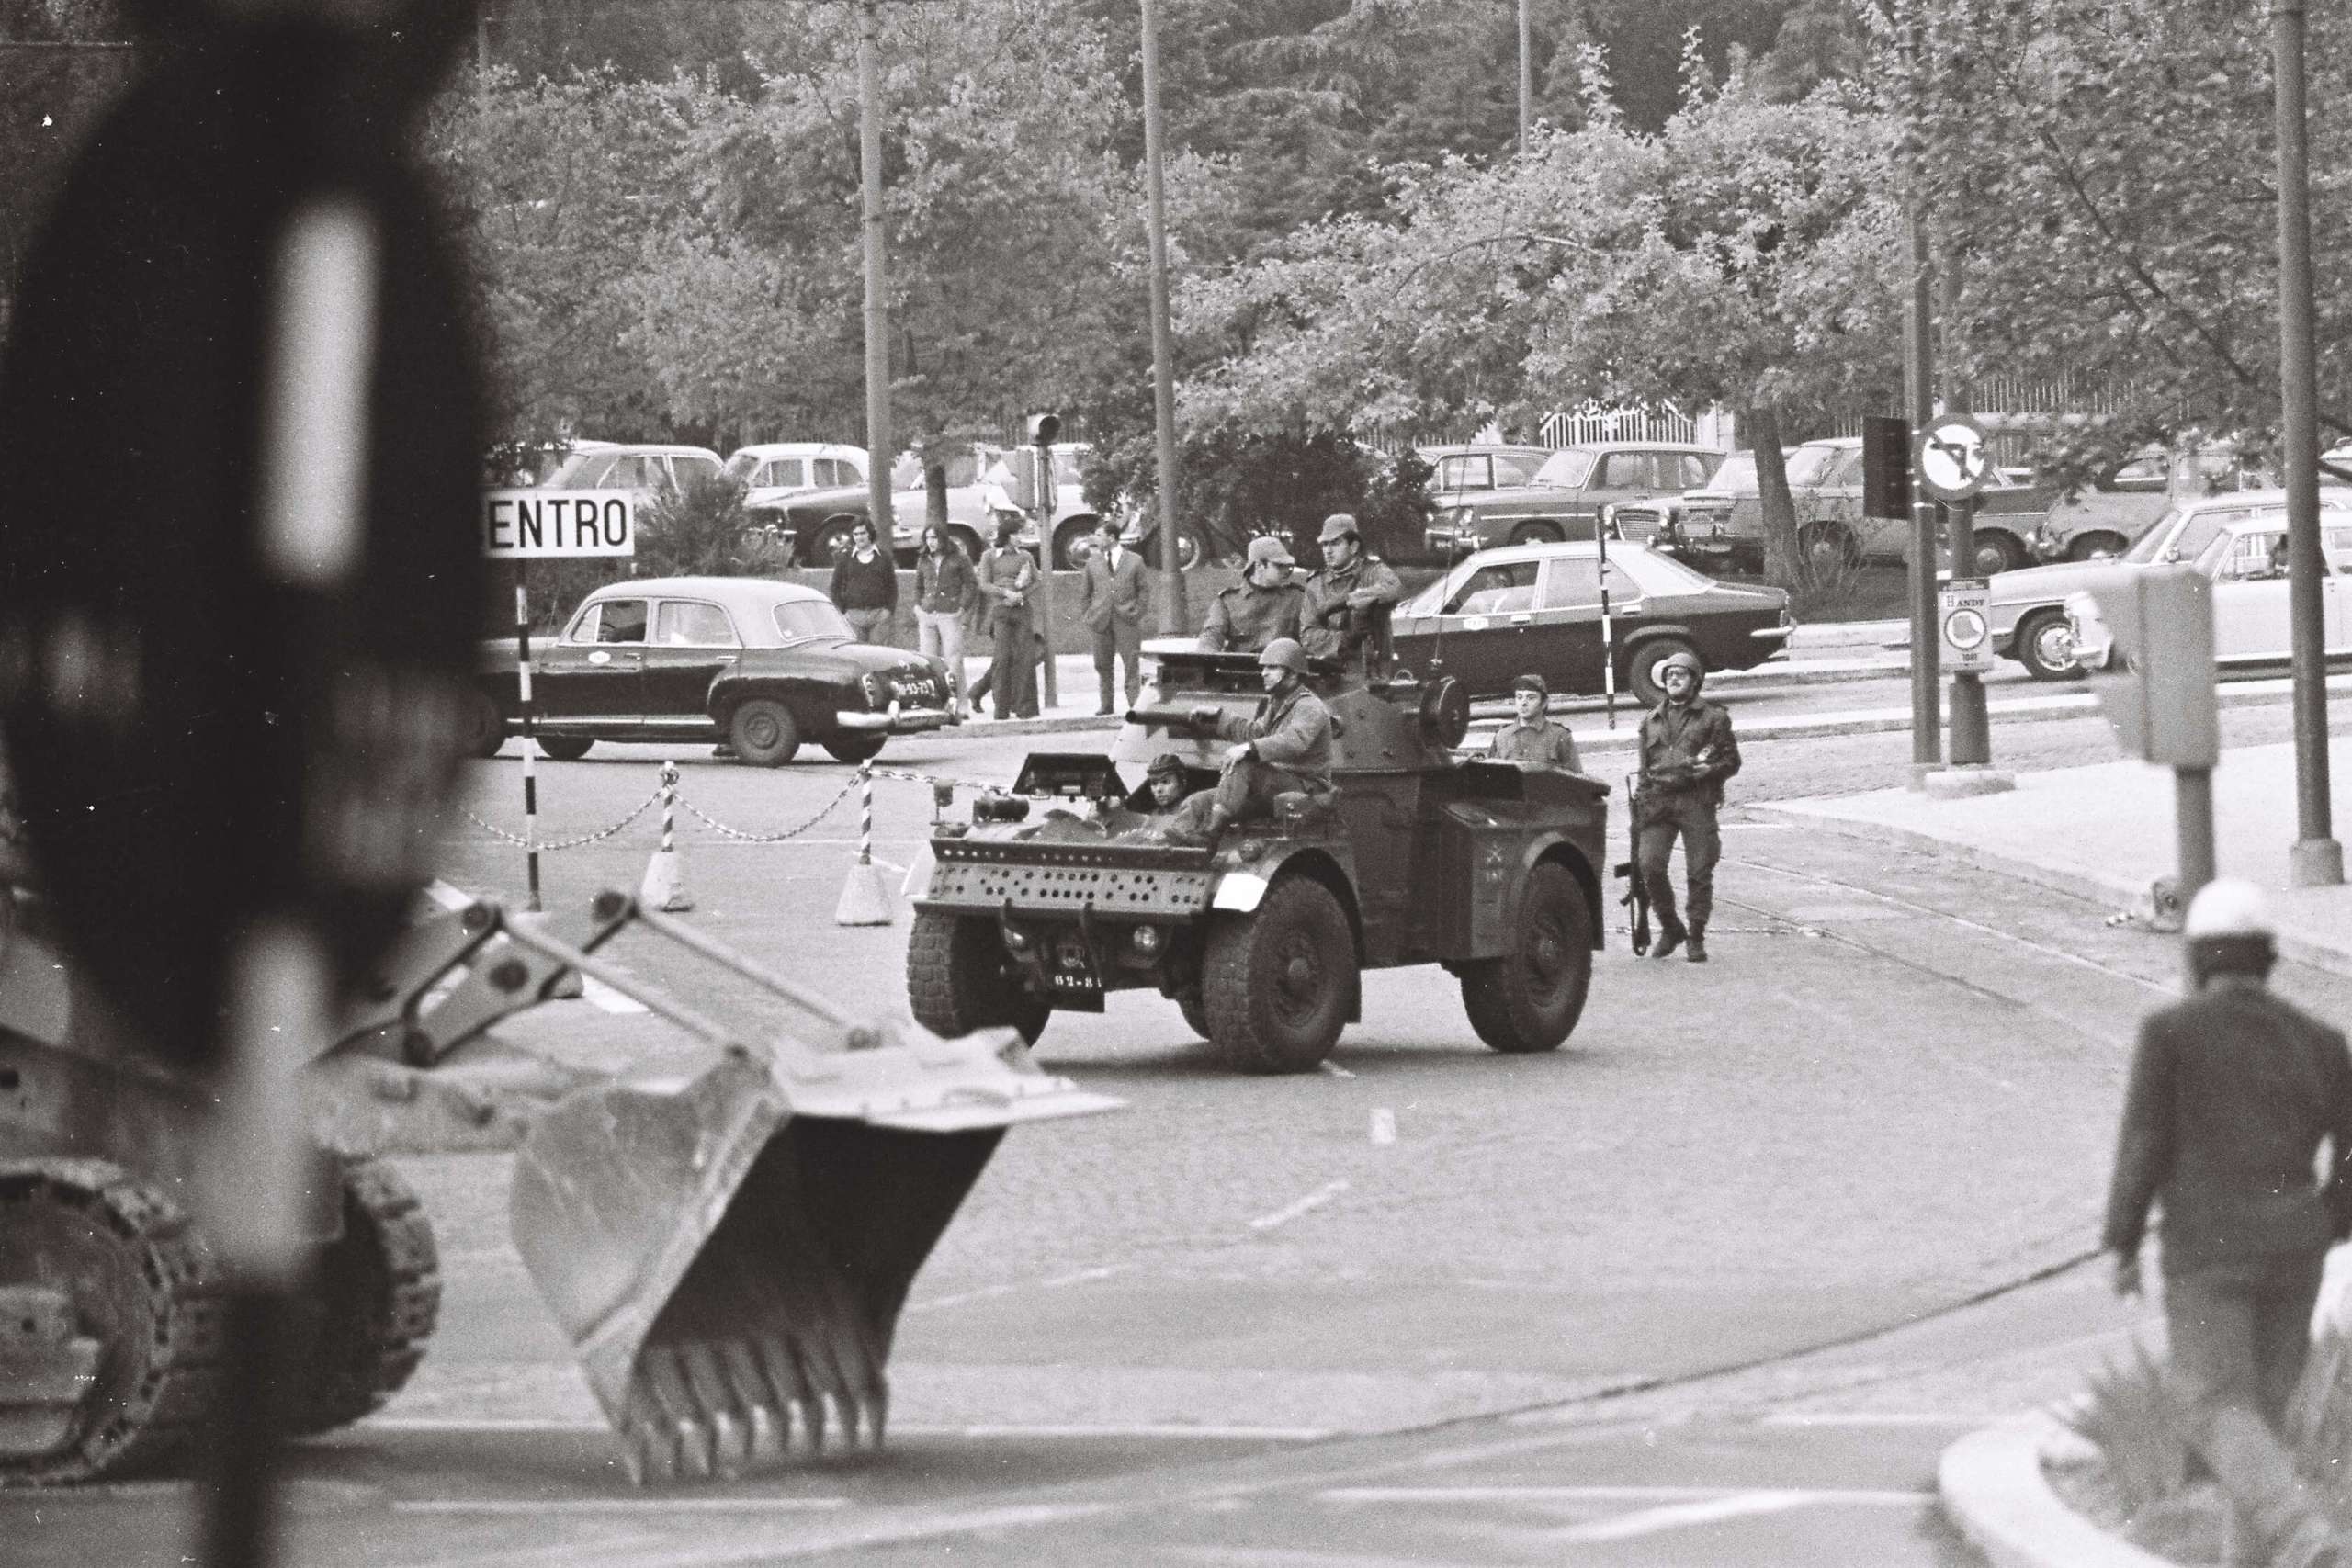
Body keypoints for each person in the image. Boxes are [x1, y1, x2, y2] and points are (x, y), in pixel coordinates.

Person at [2104, 880, 2352, 1568]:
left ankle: (2306, 1539)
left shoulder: (2171, 1034)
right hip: (2295, 1249)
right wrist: (2328, 1218)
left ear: (2198, 959)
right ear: (2269, 958)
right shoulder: (2323, 1041)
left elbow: (2143, 1143)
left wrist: (2122, 1243)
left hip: (2207, 1251)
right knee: (2259, 1422)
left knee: (2213, 1403)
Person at [1169, 637, 1332, 845]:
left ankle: (1211, 835)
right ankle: (1177, 845)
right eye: (1264, 668)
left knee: (1244, 762)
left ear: (1292, 673)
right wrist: (1218, 717)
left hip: (1304, 787)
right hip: (1274, 786)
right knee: (1198, 802)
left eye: (1272, 668)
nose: (1263, 673)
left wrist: (1248, 749)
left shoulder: (1310, 706)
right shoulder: (1278, 703)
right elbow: (1256, 733)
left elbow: (1295, 741)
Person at [1634, 649, 1738, 963]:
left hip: (1696, 799)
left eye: (1680, 674)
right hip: (1659, 801)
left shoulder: (1714, 717)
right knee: (1649, 866)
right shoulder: (1650, 720)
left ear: (1695, 680)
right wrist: (1640, 803)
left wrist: (1711, 770)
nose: (1673, 678)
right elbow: (1644, 768)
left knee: (1699, 870)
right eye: (1668, 675)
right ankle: (1670, 926)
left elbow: (1731, 760)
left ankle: (1695, 934)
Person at [1298, 513, 1404, 669]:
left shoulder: (1373, 571)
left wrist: (1345, 600)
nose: (1328, 551)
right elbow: (1308, 635)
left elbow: (1393, 590)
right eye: (1324, 544)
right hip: (1328, 671)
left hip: (1372, 671)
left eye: (1335, 543)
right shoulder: (1316, 584)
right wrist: (1346, 638)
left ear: (1354, 547)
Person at [1074, 514, 1148, 715]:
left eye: (1099, 535)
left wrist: (1137, 611)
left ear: (1112, 538)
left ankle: (1134, 704)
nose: (1094, 539)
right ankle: (1106, 704)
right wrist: (1089, 615)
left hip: (1127, 618)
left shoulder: (1135, 561)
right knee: (1102, 664)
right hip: (1100, 620)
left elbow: (1144, 590)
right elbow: (1085, 593)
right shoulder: (1092, 563)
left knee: (1131, 663)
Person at [977, 517, 1039, 719]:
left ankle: (1024, 707)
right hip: (1001, 610)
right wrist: (1005, 593)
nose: (1019, 538)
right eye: (1016, 534)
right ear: (1007, 536)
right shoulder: (990, 556)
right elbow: (984, 584)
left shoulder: (1026, 556)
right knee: (1002, 658)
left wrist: (1022, 594)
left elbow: (1037, 581)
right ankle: (1001, 708)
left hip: (1021, 609)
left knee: (1025, 657)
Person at [1200, 535, 1306, 654]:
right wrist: (1208, 654)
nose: (1287, 571)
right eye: (1279, 565)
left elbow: (1311, 635)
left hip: (1281, 668)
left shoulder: (1297, 598)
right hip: (1240, 668)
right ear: (1259, 565)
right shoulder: (1228, 601)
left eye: (1288, 566)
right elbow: (1211, 636)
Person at [913, 524, 976, 717]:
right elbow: (918, 587)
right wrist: (917, 607)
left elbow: (972, 585)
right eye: (928, 538)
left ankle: (960, 705)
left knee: (953, 659)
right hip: (928, 613)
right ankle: (934, 703)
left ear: (942, 539)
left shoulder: (959, 559)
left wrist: (962, 608)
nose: (931, 542)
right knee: (928, 660)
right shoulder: (923, 560)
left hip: (950, 613)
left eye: (934, 538)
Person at [1489, 673, 1581, 771]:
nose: (1523, 703)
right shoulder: (1502, 736)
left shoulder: (1560, 736)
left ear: (1544, 703)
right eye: (1519, 697)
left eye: (1531, 698)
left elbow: (1576, 779)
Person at [828, 519, 898, 643]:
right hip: (854, 616)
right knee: (858, 654)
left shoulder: (884, 557)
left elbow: (892, 587)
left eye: (863, 533)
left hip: (879, 616)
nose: (859, 537)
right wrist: (843, 611)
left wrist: (889, 610)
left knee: (878, 656)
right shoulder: (845, 558)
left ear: (870, 533)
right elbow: (835, 587)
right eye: (856, 534)